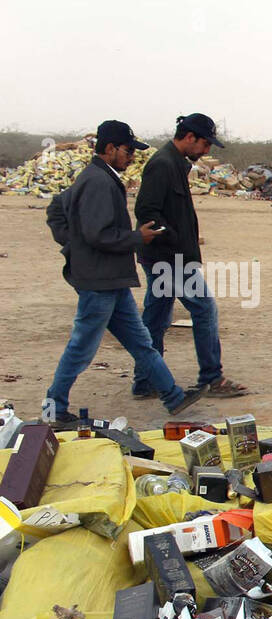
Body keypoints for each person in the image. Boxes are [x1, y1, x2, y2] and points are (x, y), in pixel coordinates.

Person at [44, 121, 204, 428]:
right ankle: (53, 409)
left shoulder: (99, 177)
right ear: (109, 149)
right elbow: (97, 234)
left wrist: (73, 242)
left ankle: (173, 396)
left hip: (111, 279)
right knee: (81, 348)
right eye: (128, 150)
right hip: (99, 281)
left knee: (141, 342)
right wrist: (135, 238)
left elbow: (59, 209)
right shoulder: (98, 182)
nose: (132, 156)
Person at [133, 113, 248, 400]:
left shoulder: (175, 163)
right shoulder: (163, 164)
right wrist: (174, 239)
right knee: (204, 308)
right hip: (168, 258)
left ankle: (146, 380)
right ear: (189, 137)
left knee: (156, 318)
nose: (207, 150)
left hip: (165, 256)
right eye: (205, 143)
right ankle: (211, 378)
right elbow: (147, 212)